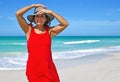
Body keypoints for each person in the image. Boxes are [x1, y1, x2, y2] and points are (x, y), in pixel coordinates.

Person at [16, 4, 69, 82]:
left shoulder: (50, 32)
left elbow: (65, 24)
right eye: (37, 16)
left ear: (46, 19)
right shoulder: (28, 30)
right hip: (33, 70)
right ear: (34, 18)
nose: (39, 18)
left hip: (48, 69)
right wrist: (32, 6)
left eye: (42, 16)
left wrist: (51, 12)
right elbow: (18, 14)